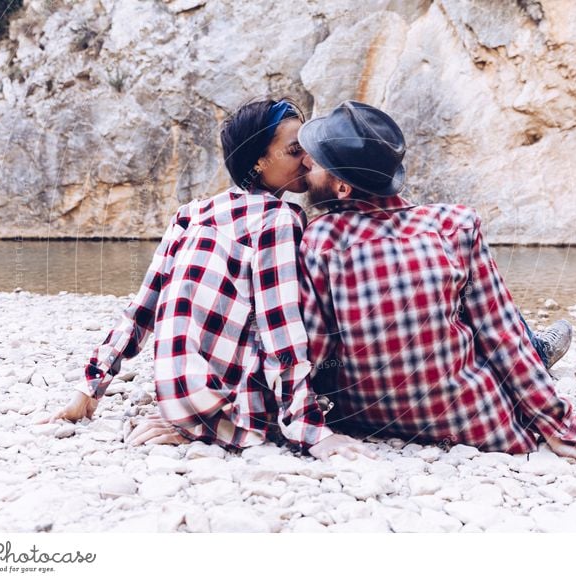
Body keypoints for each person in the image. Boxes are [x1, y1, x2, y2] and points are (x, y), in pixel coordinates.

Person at [41, 98, 376, 462]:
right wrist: (310, 432)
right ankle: (213, 421)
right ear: (260, 163)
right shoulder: (279, 217)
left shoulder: (191, 212)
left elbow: (141, 311)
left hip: (179, 388)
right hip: (235, 405)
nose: (309, 161)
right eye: (295, 151)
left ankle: (191, 415)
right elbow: (280, 329)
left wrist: (89, 389)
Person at [296, 100, 576, 464]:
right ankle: (541, 352)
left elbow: (312, 348)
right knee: (478, 314)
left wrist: (300, 424)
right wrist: (562, 429)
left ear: (342, 188)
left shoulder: (319, 239)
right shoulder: (455, 224)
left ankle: (539, 350)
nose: (306, 164)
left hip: (364, 416)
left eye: (316, 162)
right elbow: (502, 334)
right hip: (473, 421)